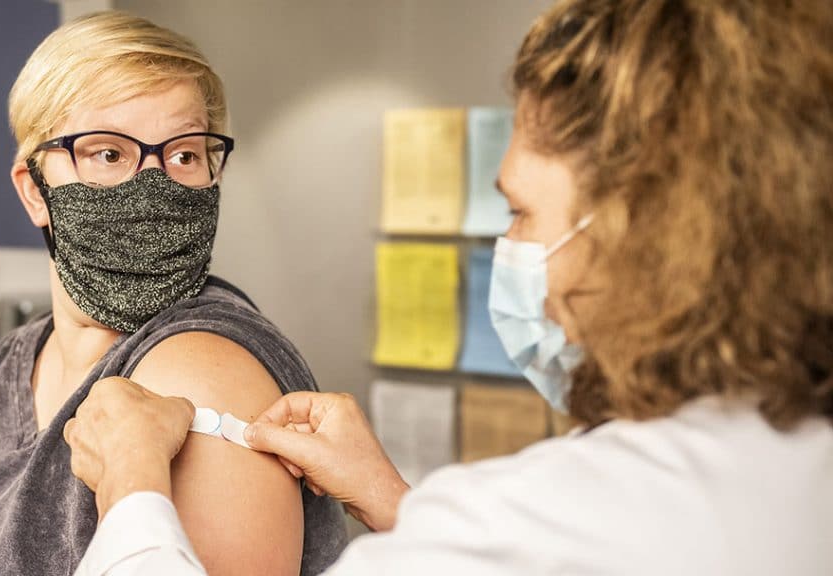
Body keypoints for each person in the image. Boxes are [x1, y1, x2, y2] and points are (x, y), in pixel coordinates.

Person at [64, 0, 833, 574]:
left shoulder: (562, 516)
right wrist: (390, 497)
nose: (507, 250)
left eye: (523, 212)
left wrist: (132, 484)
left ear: (646, 237)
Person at [0, 11, 347, 576]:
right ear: (35, 192)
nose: (154, 183)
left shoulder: (204, 371)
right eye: (109, 154)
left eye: (185, 154)